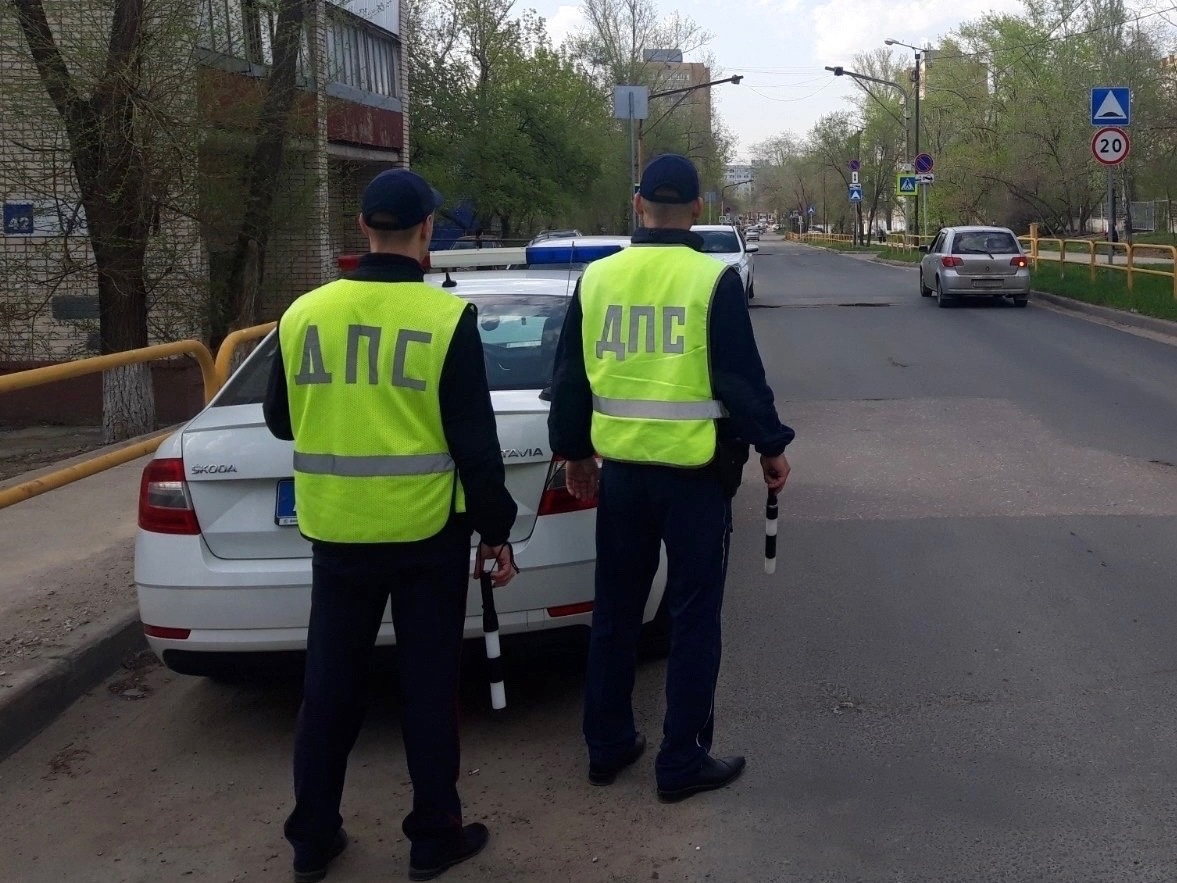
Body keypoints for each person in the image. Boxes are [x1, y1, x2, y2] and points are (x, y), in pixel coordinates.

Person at [262, 167, 519, 882]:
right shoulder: (445, 319)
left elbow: (281, 418)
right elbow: (476, 443)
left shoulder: (303, 313)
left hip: (336, 532)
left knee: (329, 688)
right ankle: (434, 833)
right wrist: (495, 530)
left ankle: (313, 836)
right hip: (425, 536)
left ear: (362, 229)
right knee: (428, 687)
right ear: (427, 230)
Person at [547, 154, 794, 803]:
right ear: (695, 210)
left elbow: (569, 375)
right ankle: (680, 759)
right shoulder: (708, 281)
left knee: (615, 614)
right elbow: (740, 380)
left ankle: (607, 746)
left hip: (621, 476)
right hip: (693, 479)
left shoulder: (597, 279)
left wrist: (573, 451)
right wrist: (771, 446)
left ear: (637, 206)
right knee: (691, 619)